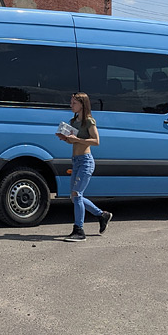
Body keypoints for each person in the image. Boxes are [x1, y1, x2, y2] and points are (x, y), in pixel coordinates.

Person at [56, 91, 112, 240]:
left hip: (86, 161)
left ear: (82, 104)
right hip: (76, 161)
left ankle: (79, 230)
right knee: (74, 197)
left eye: (74, 103)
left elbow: (96, 141)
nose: (71, 105)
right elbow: (73, 141)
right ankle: (102, 215)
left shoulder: (89, 121)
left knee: (76, 194)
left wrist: (78, 139)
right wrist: (66, 139)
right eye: (71, 102)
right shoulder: (73, 121)